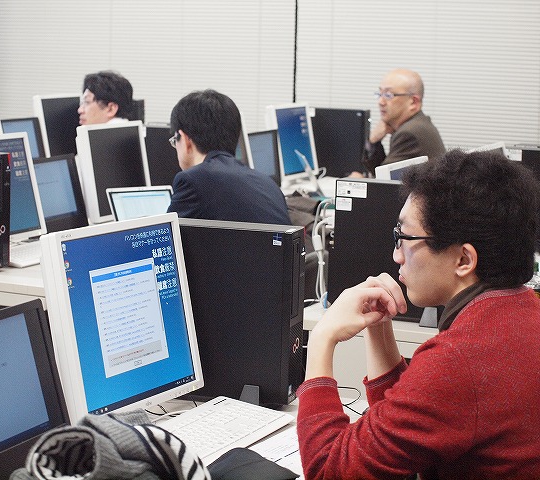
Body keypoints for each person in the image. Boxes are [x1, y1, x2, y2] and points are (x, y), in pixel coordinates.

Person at [297, 149, 540, 479]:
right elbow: (411, 426)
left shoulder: (459, 359)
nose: (396, 255)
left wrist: (322, 337)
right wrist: (379, 327)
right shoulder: (521, 312)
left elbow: (328, 470)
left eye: (404, 237)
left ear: (463, 260)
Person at [167, 89, 291, 225]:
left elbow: (167, 235)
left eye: (175, 141)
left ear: (185, 140)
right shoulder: (268, 183)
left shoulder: (192, 180)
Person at [362, 68, 445, 175]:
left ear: (413, 102)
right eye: (380, 94)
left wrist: (359, 180)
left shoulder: (409, 133)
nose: (381, 102)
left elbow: (383, 180)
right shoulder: (417, 124)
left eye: (388, 95)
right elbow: (382, 171)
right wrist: (373, 141)